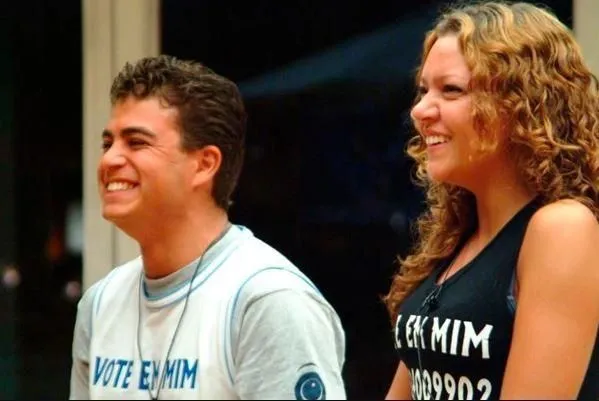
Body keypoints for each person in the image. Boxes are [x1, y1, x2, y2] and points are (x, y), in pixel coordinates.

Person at [69, 55, 347, 400]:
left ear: (204, 164)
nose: (109, 159)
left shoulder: (267, 301)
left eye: (136, 142)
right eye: (107, 143)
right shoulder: (99, 304)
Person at [384, 2, 599, 400]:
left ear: (522, 105)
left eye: (451, 90)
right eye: (423, 90)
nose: (419, 110)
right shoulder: (458, 236)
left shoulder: (562, 228)